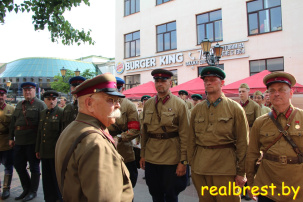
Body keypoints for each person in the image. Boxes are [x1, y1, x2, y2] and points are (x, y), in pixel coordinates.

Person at [55, 73, 133, 201]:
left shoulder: (73, 128)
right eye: (110, 100)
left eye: (117, 100)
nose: (118, 105)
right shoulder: (95, 143)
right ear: (89, 103)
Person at [187, 66, 249, 202]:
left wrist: (241, 172)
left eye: (213, 80)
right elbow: (191, 139)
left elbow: (243, 142)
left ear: (222, 83)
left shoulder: (234, 108)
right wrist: (191, 164)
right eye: (206, 80)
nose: (208, 83)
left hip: (225, 168)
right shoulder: (197, 109)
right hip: (200, 167)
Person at [246, 71, 303, 201]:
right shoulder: (260, 122)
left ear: (291, 93)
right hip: (267, 186)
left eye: (281, 90)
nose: (276, 94)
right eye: (272, 91)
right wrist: (250, 183)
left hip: (298, 187)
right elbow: (252, 154)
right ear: (268, 95)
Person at [140, 69, 189, 202]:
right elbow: (144, 132)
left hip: (171, 157)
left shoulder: (179, 104)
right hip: (151, 156)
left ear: (170, 83)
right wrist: (143, 154)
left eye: (163, 81)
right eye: (157, 81)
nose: (160, 83)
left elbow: (185, 135)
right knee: (155, 192)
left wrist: (183, 162)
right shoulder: (149, 104)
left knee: (171, 193)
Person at [9, 82, 47, 201]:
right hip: (19, 141)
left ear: (34, 90)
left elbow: (43, 126)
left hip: (32, 141)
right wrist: (11, 137)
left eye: (29, 90)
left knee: (34, 167)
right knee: (19, 165)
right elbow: (13, 123)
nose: (27, 92)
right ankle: (26, 188)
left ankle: (33, 191)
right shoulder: (20, 104)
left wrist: (40, 144)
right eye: (25, 90)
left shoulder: (40, 105)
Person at [108, 77, 140, 188]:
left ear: (123, 88)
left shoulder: (129, 106)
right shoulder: (104, 103)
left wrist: (119, 137)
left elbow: (135, 130)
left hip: (124, 151)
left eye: (118, 88)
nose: (116, 91)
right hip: (106, 150)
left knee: (127, 184)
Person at [36, 90, 63, 202]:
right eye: (49, 99)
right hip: (44, 151)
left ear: (56, 100)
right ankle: (49, 198)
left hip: (55, 152)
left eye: (53, 99)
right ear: (45, 101)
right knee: (46, 179)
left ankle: (58, 198)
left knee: (56, 178)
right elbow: (40, 133)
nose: (51, 102)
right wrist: (37, 149)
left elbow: (62, 134)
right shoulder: (43, 113)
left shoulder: (61, 113)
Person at [0, 87, 15, 199]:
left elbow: (13, 127)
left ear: (5, 96)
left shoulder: (11, 109)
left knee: (8, 166)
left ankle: (6, 189)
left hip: (6, 142)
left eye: (2, 95)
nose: (0, 97)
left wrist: (12, 139)